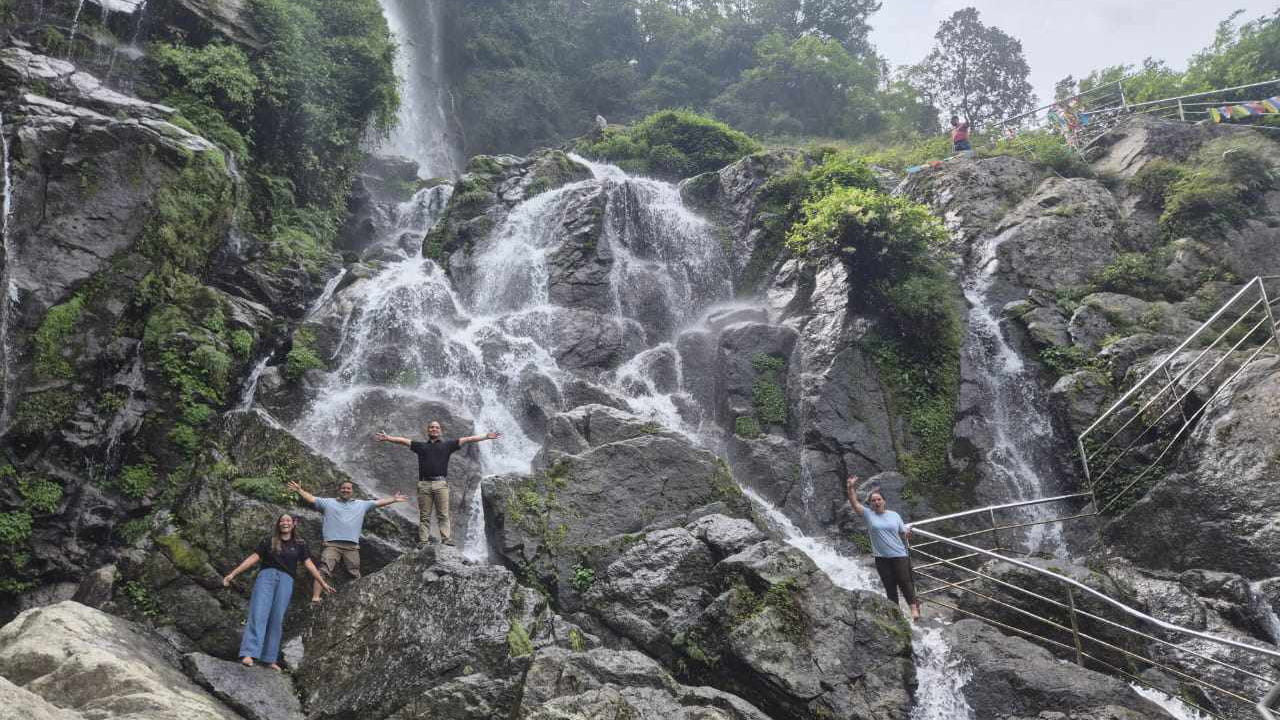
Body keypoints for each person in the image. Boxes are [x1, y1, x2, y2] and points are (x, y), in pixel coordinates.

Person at [222, 513, 333, 669]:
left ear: (294, 524)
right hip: (266, 577)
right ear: (278, 524)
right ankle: (249, 653)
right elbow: (253, 558)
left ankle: (269, 658)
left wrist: (323, 583)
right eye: (282, 520)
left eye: (288, 520)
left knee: (276, 618)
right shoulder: (268, 541)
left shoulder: (300, 544)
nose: (285, 523)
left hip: (286, 581)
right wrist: (233, 574)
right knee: (258, 613)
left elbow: (309, 565)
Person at [374, 421, 502, 547]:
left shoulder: (448, 445)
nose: (434, 429)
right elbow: (403, 441)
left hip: (441, 483)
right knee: (425, 515)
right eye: (431, 427)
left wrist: (486, 436)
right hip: (424, 484)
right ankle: (423, 541)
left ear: (440, 431)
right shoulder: (421, 446)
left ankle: (446, 539)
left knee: (443, 514)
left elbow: (468, 439)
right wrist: (388, 438)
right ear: (428, 431)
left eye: (436, 427)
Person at [287, 479, 407, 603]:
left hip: (352, 547)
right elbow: (312, 498)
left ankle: (358, 598)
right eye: (343, 488)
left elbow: (378, 503)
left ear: (352, 491)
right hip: (332, 544)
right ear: (339, 490)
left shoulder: (361, 504)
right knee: (324, 570)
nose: (346, 490)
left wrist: (393, 499)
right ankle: (316, 597)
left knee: (355, 573)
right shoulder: (328, 503)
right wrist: (299, 490)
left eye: (348, 488)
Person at [846, 476, 921, 621]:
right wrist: (850, 487)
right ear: (871, 503)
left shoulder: (894, 515)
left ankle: (913, 608)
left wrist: (908, 535)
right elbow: (854, 503)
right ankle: (896, 614)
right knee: (889, 586)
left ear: (884, 501)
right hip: (881, 557)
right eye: (873, 500)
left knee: (904, 581)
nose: (876, 502)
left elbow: (903, 534)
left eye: (879, 499)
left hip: (899, 554)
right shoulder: (868, 515)